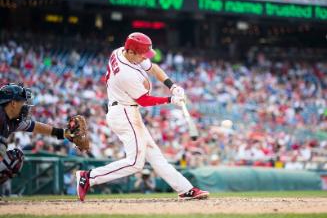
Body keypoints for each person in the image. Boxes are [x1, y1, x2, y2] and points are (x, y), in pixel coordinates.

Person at [76, 32, 209, 201]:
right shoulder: (125, 73)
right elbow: (144, 100)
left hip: (126, 110)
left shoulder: (121, 51)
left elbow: (153, 68)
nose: (144, 58)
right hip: (124, 113)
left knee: (155, 155)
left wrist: (172, 86)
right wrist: (170, 99)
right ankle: (89, 177)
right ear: (131, 52)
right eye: (141, 55)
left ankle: (186, 189)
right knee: (135, 163)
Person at [0, 83, 79, 184]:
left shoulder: (12, 119)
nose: (25, 106)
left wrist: (63, 133)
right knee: (3, 148)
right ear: (13, 103)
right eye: (22, 102)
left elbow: (36, 126)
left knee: (16, 158)